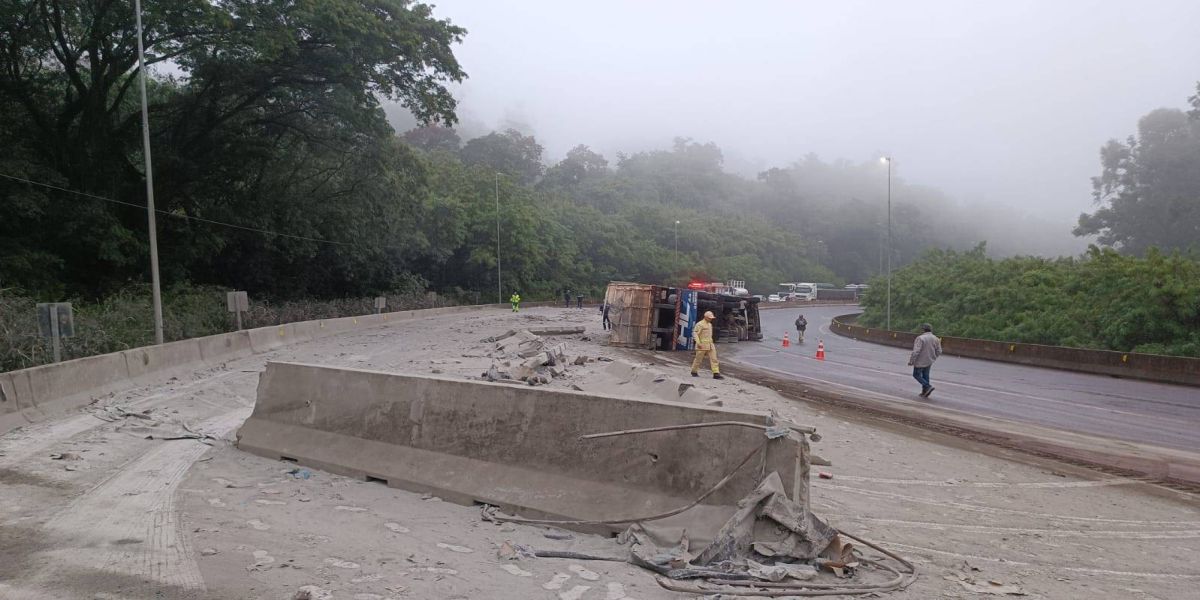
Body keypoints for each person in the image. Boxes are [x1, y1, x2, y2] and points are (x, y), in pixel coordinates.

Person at [908, 323, 942, 397]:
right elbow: (939, 351)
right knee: (925, 375)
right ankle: (925, 391)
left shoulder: (920, 338)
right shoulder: (936, 338)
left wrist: (911, 361)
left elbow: (916, 351)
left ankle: (927, 386)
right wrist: (933, 357)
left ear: (923, 330)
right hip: (929, 360)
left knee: (916, 374)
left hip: (920, 360)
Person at [690, 310, 724, 380]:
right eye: (709, 318)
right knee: (698, 359)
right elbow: (695, 333)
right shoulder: (700, 324)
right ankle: (694, 371)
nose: (711, 319)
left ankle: (716, 373)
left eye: (711, 318)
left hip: (710, 344)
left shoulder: (710, 325)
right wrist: (698, 342)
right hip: (702, 345)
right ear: (705, 317)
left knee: (714, 359)